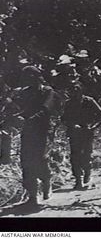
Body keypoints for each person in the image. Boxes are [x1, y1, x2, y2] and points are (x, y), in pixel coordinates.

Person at [13, 66, 61, 207]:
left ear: (37, 77)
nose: (27, 79)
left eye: (30, 76)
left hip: (43, 131)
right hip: (28, 132)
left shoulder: (47, 91)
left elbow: (46, 110)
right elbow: (20, 110)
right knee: (26, 162)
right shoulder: (24, 93)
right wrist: (16, 117)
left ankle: (46, 182)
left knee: (41, 160)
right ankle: (32, 195)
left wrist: (29, 119)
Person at [61, 81, 101, 189]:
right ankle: (78, 180)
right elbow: (64, 118)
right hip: (74, 133)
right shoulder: (68, 103)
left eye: (77, 89)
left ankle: (87, 172)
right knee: (75, 157)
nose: (75, 92)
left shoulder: (89, 101)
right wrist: (72, 125)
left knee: (86, 155)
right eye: (73, 90)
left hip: (87, 131)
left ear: (81, 90)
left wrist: (93, 127)